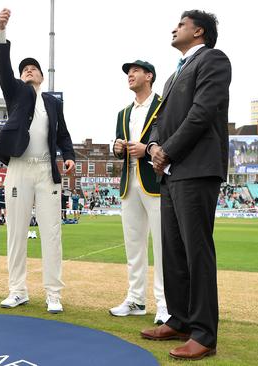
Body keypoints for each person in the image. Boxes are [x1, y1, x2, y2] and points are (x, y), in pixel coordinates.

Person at [142, 10, 231, 361]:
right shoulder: (172, 76)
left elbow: (202, 112)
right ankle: (179, 319)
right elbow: (161, 120)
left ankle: (204, 334)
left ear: (198, 31)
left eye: (181, 24)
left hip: (197, 169)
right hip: (171, 172)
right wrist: (152, 147)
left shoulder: (213, 60)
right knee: (173, 252)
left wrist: (167, 149)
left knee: (197, 253)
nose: (174, 27)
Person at [0, 8, 76, 314]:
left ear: (42, 75)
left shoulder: (53, 102)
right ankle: (17, 290)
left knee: (52, 231)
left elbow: (64, 136)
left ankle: (53, 293)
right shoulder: (16, 93)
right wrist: (1, 33)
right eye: (24, 69)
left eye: (33, 68)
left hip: (45, 169)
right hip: (18, 168)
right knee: (15, 231)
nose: (28, 70)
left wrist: (68, 158)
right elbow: (3, 68)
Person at [111, 59, 170, 325]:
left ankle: (165, 304)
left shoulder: (163, 105)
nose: (130, 75)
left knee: (162, 245)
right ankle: (136, 300)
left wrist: (145, 149)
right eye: (128, 72)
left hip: (155, 182)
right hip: (129, 182)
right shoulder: (123, 113)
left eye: (135, 71)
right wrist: (117, 147)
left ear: (149, 76)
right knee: (133, 246)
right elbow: (117, 146)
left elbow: (168, 139)